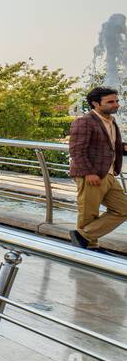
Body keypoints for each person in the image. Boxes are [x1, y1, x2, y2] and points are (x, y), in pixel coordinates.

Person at [68, 87, 127, 252]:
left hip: (108, 173)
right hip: (91, 174)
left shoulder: (110, 121)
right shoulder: (84, 121)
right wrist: (89, 173)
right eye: (110, 102)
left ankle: (83, 237)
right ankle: (89, 247)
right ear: (95, 103)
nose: (116, 104)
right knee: (89, 213)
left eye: (116, 101)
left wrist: (123, 147)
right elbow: (77, 150)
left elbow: (107, 146)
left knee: (123, 209)